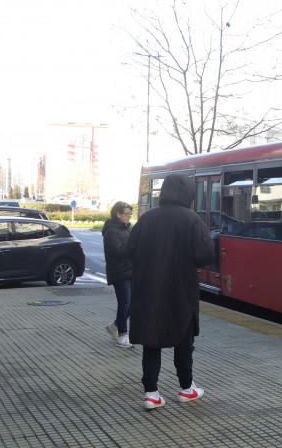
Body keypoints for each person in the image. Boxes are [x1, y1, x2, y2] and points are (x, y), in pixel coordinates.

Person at [125, 173, 212, 410]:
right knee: (184, 340)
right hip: (180, 290)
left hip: (148, 289)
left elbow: (130, 251)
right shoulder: (192, 219)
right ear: (189, 194)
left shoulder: (147, 218)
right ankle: (186, 388)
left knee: (151, 341)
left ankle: (151, 394)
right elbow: (204, 255)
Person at [103, 201, 134, 349]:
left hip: (131, 270)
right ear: (118, 214)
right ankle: (123, 335)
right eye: (126, 214)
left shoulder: (127, 228)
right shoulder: (111, 231)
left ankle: (114, 325)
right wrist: (134, 246)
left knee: (133, 303)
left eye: (130, 214)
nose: (129, 217)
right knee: (125, 303)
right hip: (119, 272)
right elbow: (118, 253)